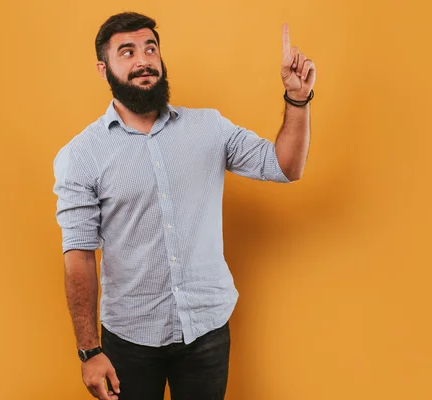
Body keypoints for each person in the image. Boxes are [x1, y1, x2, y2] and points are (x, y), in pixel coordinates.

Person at [52, 11, 316, 400]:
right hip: (130, 340)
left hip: (206, 330)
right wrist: (90, 350)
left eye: (150, 48)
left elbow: (286, 166)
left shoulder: (209, 128)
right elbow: (79, 257)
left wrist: (297, 98)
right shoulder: (82, 155)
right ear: (103, 68)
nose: (143, 60)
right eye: (127, 52)